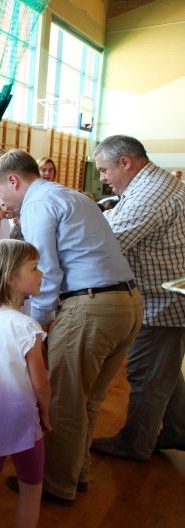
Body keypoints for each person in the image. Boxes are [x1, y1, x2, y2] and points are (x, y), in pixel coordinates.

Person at [0, 148, 142, 506]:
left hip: (91, 306)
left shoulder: (38, 204)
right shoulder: (71, 195)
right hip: (126, 303)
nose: (1, 201)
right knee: (88, 400)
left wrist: (36, 329)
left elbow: (45, 273)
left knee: (64, 402)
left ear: (13, 180)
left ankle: (56, 483)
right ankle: (77, 472)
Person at [89, 135, 185, 460]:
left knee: (147, 373)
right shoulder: (151, 184)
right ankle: (178, 430)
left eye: (105, 170)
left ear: (126, 163)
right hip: (165, 296)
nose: (103, 178)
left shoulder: (149, 194)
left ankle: (135, 443)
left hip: (163, 303)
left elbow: (106, 244)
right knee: (164, 370)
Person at [0, 239, 50, 528]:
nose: (41, 273)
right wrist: (46, 414)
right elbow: (41, 384)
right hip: (21, 421)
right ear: (10, 276)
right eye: (34, 268)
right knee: (32, 487)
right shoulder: (26, 327)